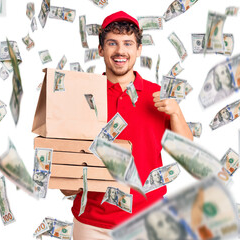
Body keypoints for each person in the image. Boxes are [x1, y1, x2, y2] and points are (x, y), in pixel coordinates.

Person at [60, 11, 193, 240]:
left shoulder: (157, 95)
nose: (120, 51)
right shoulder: (84, 95)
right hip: (92, 224)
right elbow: (68, 174)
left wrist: (176, 112)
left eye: (128, 43)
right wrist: (68, 180)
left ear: (139, 50)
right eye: (112, 43)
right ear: (100, 50)